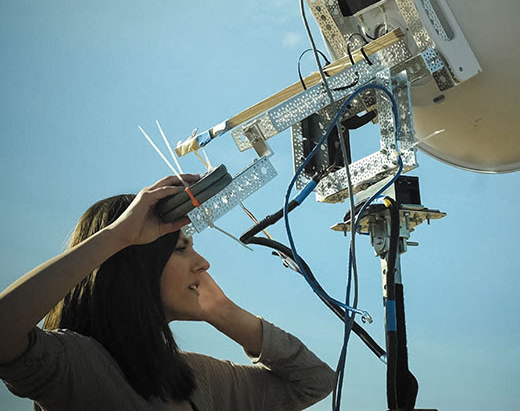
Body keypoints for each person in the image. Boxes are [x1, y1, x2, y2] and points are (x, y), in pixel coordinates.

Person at [0, 175, 335, 410]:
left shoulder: (197, 378)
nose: (202, 262)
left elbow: (314, 382)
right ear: (132, 265)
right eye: (181, 249)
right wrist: (118, 236)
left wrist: (225, 313)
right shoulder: (80, 367)